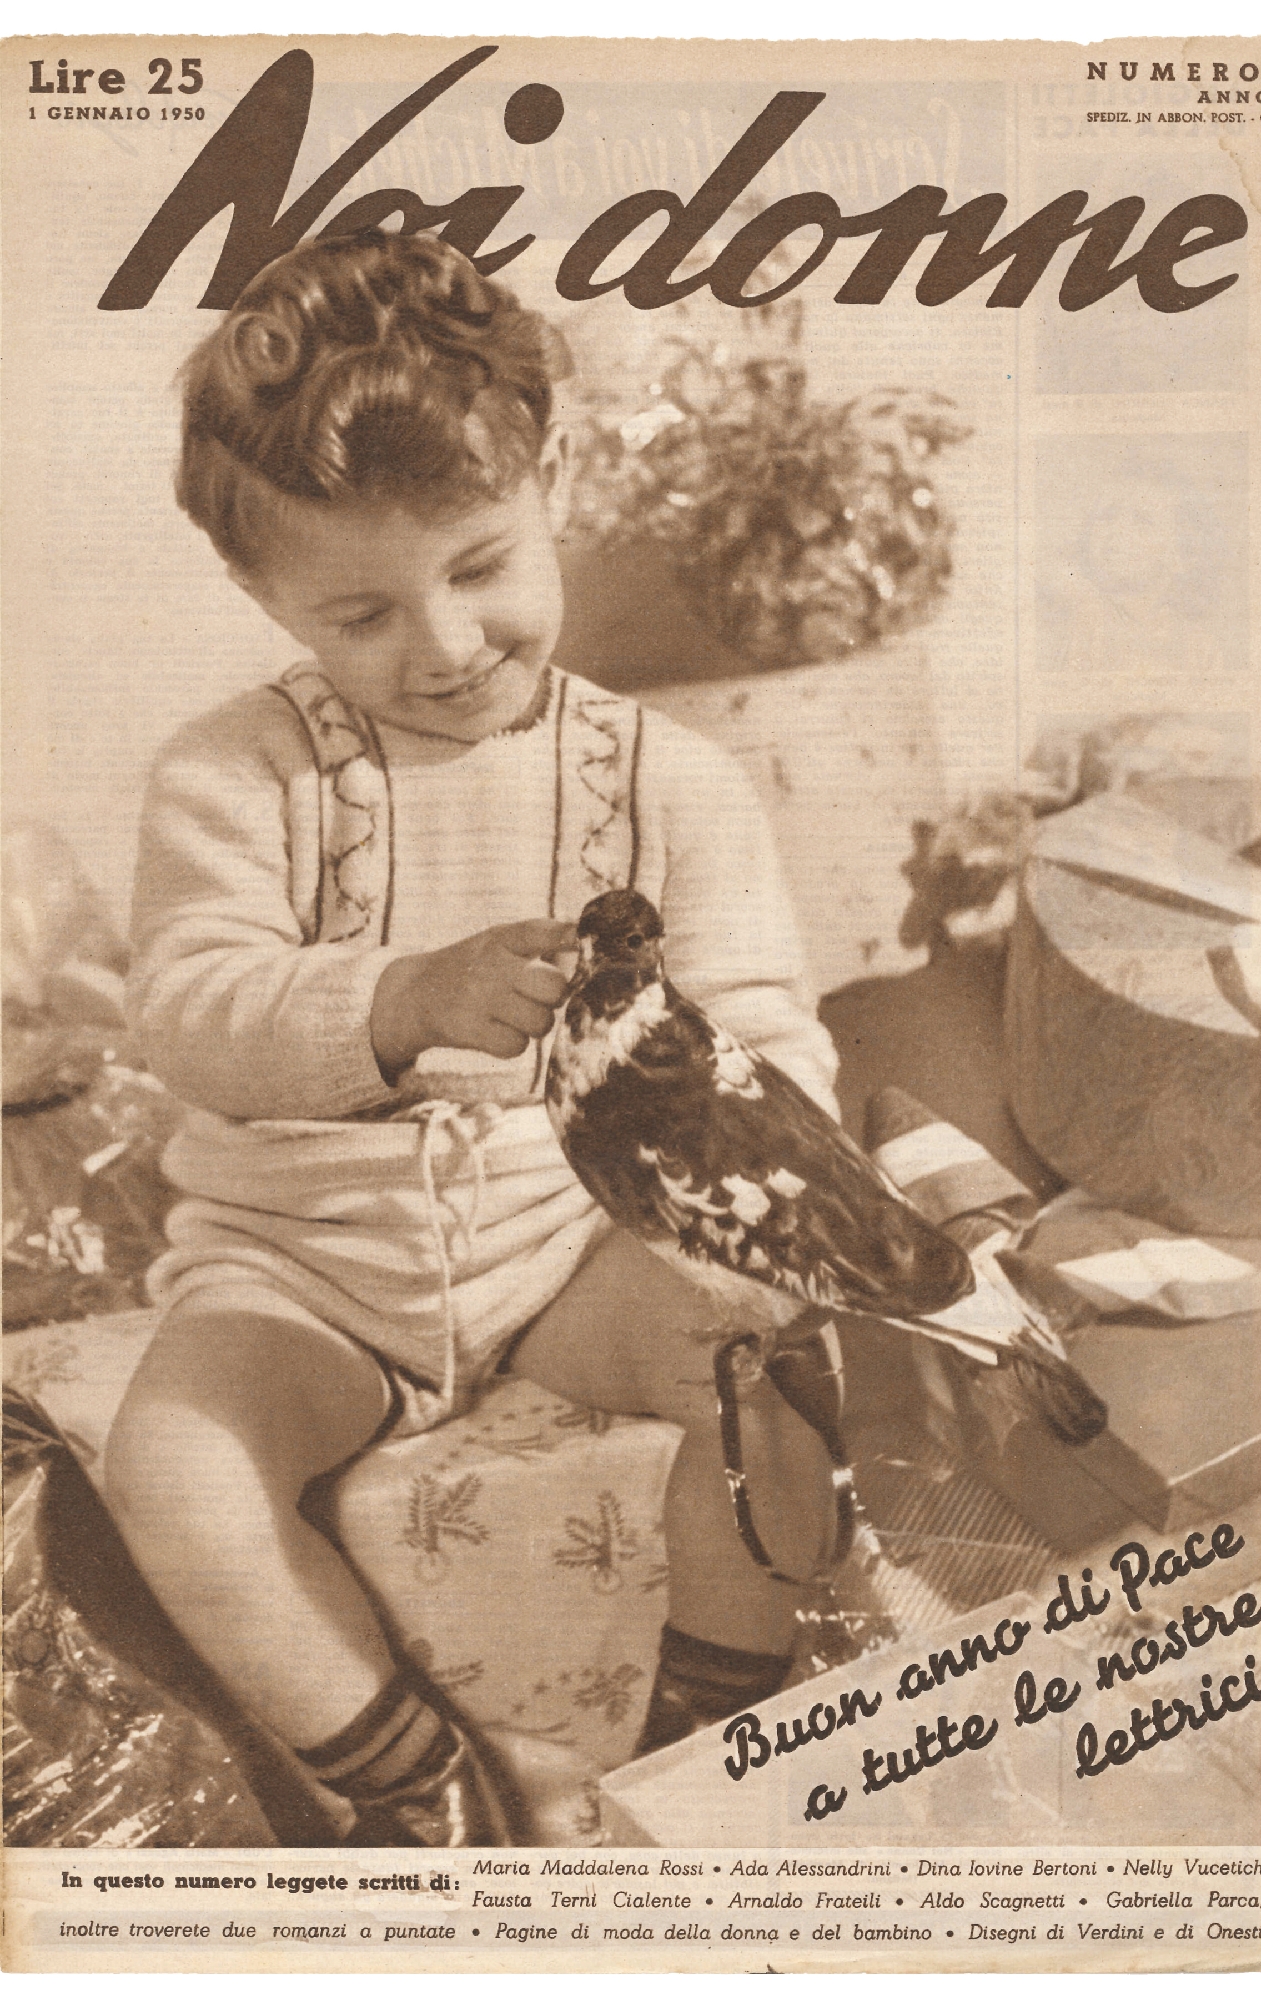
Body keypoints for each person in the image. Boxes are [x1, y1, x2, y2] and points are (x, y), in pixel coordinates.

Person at [107, 230, 842, 1847]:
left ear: (551, 480)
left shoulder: (675, 781)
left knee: (760, 1355)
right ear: (259, 591)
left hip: (567, 1244)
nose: (440, 646)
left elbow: (773, 1041)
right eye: (359, 610)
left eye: (481, 566)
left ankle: (707, 1737)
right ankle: (412, 1784)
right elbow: (188, 1014)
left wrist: (709, 1127)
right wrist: (396, 999)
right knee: (170, 1467)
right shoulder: (230, 778)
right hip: (300, 1270)